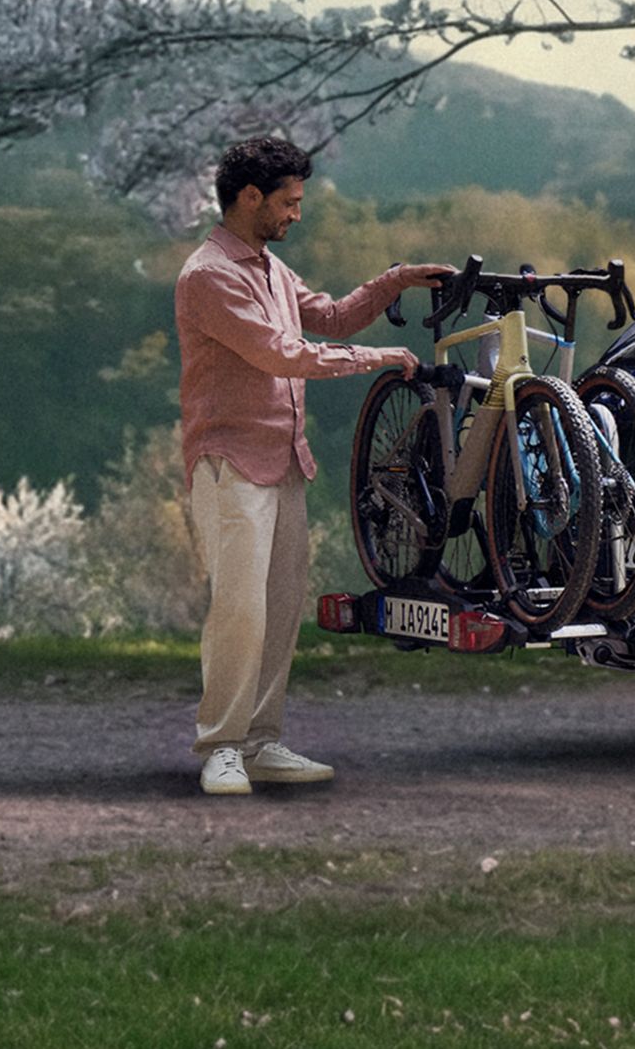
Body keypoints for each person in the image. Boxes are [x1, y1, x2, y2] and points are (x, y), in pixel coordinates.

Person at [174, 135, 453, 797]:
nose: (296, 214)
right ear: (250, 197)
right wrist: (378, 359)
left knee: (278, 605)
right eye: (289, 202)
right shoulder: (210, 274)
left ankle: (261, 740)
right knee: (239, 608)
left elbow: (329, 315)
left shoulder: (268, 267)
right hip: (231, 462)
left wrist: (394, 281)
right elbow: (283, 354)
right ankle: (221, 745)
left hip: (282, 460)